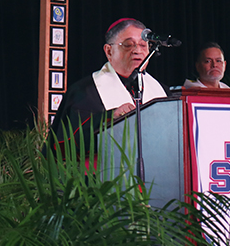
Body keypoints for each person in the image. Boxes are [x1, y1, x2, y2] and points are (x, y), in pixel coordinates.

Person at [50, 18, 167, 153]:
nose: (137, 51)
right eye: (129, 44)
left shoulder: (161, 90)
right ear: (109, 51)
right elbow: (64, 145)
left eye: (143, 45)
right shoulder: (84, 92)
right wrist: (110, 118)